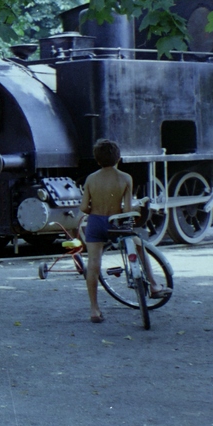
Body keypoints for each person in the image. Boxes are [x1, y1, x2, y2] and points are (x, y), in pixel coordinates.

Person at [80, 138, 134, 324]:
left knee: (93, 263)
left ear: (97, 160)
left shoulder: (91, 178)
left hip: (95, 221)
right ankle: (154, 284)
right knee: (139, 246)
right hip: (115, 222)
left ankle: (94, 309)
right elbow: (127, 209)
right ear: (118, 158)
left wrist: (94, 210)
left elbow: (83, 207)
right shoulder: (126, 178)